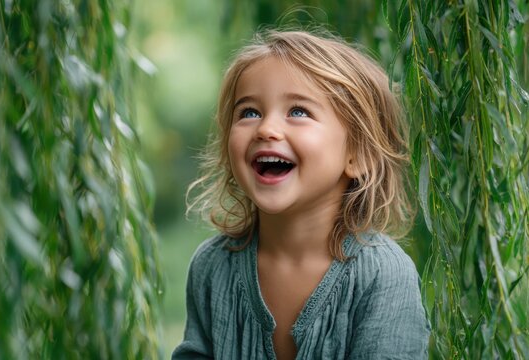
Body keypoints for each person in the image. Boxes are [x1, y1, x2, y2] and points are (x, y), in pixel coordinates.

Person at [172, 29, 430, 360]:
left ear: (358, 155)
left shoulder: (383, 276)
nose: (266, 128)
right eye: (249, 112)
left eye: (298, 112)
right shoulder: (212, 266)